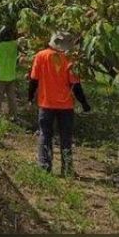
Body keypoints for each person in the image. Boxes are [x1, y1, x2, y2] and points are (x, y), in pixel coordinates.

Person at [28, 32, 91, 177]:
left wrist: (30, 97)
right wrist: (84, 103)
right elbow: (75, 85)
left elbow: (33, 80)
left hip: (46, 103)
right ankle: (67, 170)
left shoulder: (41, 56)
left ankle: (44, 167)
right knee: (66, 138)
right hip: (66, 106)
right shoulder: (70, 58)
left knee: (45, 134)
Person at [0, 28, 19, 122]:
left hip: (0, 76)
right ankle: (14, 116)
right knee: (12, 97)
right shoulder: (15, 45)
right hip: (11, 75)